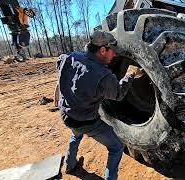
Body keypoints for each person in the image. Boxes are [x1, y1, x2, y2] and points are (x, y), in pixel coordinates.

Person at [55, 30, 144, 180]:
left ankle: (70, 165)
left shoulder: (69, 57)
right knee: (116, 147)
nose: (114, 55)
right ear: (102, 50)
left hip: (66, 114)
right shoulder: (104, 76)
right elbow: (118, 94)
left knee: (75, 134)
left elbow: (59, 64)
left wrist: (60, 87)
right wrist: (131, 75)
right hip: (85, 121)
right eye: (112, 51)